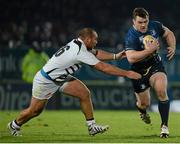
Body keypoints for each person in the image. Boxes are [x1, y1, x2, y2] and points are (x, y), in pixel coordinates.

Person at [8, 27, 141, 137]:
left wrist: (115, 56)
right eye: (95, 39)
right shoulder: (79, 51)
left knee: (84, 93)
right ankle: (14, 125)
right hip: (46, 80)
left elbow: (96, 53)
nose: (96, 42)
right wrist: (127, 73)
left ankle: (91, 126)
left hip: (60, 78)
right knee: (35, 111)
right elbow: (103, 68)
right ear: (88, 39)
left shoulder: (77, 43)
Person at [124, 8, 176, 138]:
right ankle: (142, 111)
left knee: (161, 91)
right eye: (140, 22)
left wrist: (172, 46)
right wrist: (149, 50)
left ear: (148, 20)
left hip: (154, 66)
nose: (143, 25)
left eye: (145, 21)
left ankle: (164, 126)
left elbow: (168, 33)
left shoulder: (155, 25)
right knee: (144, 104)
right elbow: (131, 58)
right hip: (138, 71)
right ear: (134, 22)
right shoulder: (131, 36)